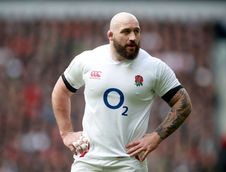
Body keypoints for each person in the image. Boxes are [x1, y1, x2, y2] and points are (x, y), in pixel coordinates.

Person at [51, 12, 192, 172]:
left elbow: (184, 103)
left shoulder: (154, 67)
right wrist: (67, 133)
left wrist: (156, 136)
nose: (133, 37)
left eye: (136, 31)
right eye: (126, 32)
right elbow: (61, 91)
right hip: (87, 161)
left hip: (129, 163)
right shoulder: (88, 60)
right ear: (110, 35)